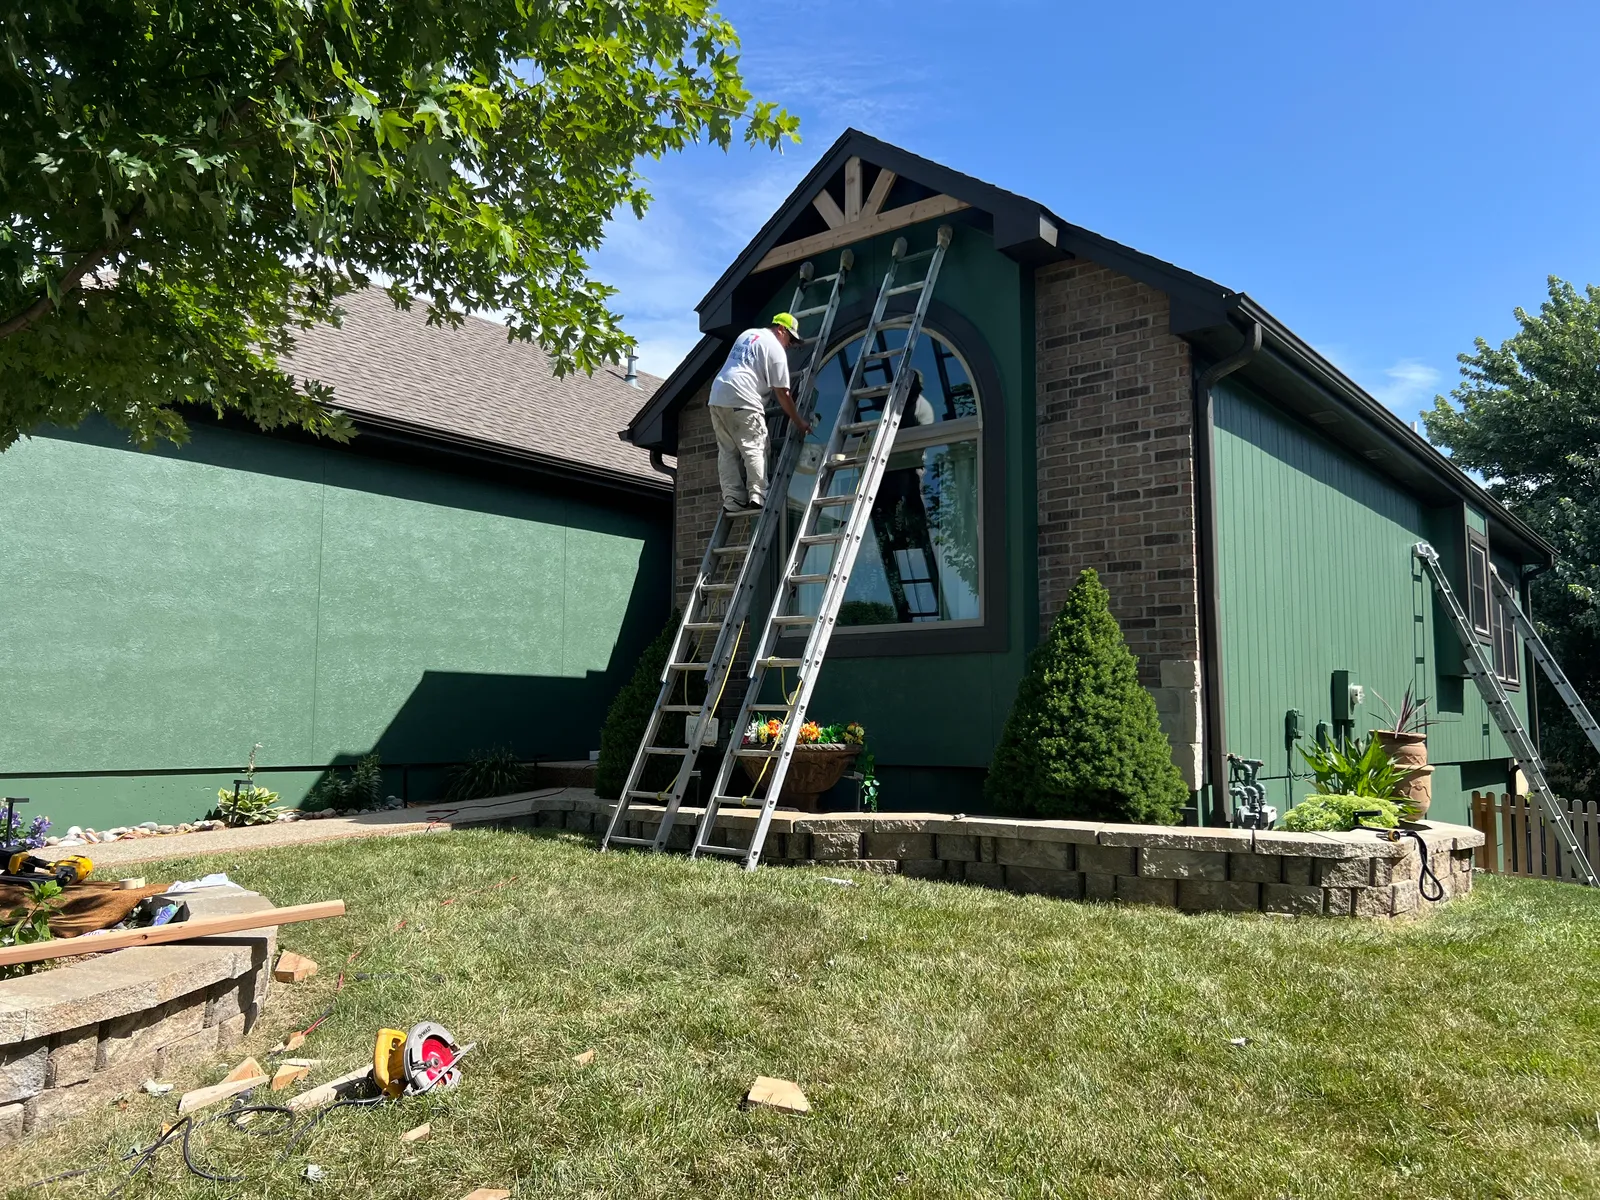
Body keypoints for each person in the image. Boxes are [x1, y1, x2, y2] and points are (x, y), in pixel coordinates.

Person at [707, 312, 812, 514]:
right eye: (790, 338)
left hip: (718, 396)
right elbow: (783, 392)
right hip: (744, 399)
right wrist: (799, 421)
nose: (789, 345)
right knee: (755, 445)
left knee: (728, 450)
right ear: (781, 329)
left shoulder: (748, 334)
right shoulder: (776, 350)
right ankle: (757, 494)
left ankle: (732, 499)